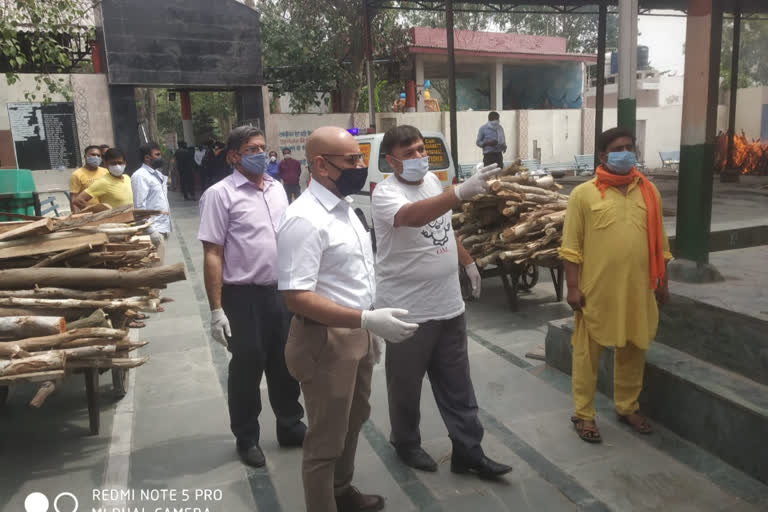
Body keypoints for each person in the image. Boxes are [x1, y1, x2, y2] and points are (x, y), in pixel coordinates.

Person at [277, 126, 419, 512]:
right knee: (325, 437)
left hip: (358, 331)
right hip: (325, 341)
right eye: (353, 160)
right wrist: (366, 318)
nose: (361, 166)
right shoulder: (304, 218)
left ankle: (341, 492)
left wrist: (368, 320)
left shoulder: (346, 208)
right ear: (322, 166)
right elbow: (296, 296)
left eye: (361, 157)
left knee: (353, 419)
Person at [371, 125, 512, 479]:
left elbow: (444, 227)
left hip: (448, 304)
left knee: (458, 384)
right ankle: (405, 442)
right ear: (391, 161)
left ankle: (469, 451)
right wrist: (459, 192)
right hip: (408, 311)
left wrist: (466, 260)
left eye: (422, 150)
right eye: (409, 154)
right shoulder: (386, 194)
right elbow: (412, 217)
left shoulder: (433, 182)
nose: (420, 158)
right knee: (405, 384)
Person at [198, 126, 306, 469]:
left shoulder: (276, 189)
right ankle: (247, 437)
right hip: (242, 296)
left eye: (263, 146)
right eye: (252, 149)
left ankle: (290, 425)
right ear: (234, 156)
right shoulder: (220, 195)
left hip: (281, 292)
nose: (261, 153)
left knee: (285, 362)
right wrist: (216, 310)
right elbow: (212, 253)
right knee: (247, 365)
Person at [559, 127, 672, 444]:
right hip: (596, 290)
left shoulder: (648, 191)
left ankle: (627, 407)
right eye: (619, 148)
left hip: (639, 289)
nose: (626, 152)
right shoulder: (584, 194)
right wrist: (572, 287)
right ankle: (583, 414)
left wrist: (663, 282)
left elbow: (661, 244)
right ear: (603, 156)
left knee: (634, 347)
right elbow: (571, 247)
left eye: (630, 146)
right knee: (586, 354)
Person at [132, 143, 171, 265]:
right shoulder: (140, 176)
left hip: (163, 228)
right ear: (147, 158)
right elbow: (139, 206)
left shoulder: (157, 175)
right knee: (154, 269)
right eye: (157, 155)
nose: (160, 157)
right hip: (153, 230)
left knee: (159, 266)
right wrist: (150, 230)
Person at [69, 145, 108, 212]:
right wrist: (76, 215)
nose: (96, 157)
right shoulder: (77, 174)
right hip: (88, 212)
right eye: (93, 154)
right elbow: (74, 198)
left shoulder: (105, 172)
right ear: (85, 156)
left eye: (98, 156)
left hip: (106, 210)